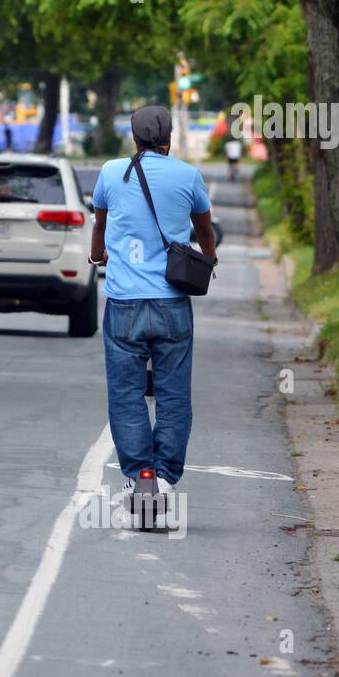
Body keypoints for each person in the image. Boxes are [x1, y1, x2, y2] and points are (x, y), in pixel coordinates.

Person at [89, 106, 218, 501]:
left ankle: (138, 473)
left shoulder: (111, 172)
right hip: (172, 304)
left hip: (125, 304)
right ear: (169, 138)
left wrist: (99, 256)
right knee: (173, 393)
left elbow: (100, 224)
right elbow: (204, 228)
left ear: (134, 137)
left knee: (126, 393)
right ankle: (165, 477)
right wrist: (209, 260)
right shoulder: (188, 175)